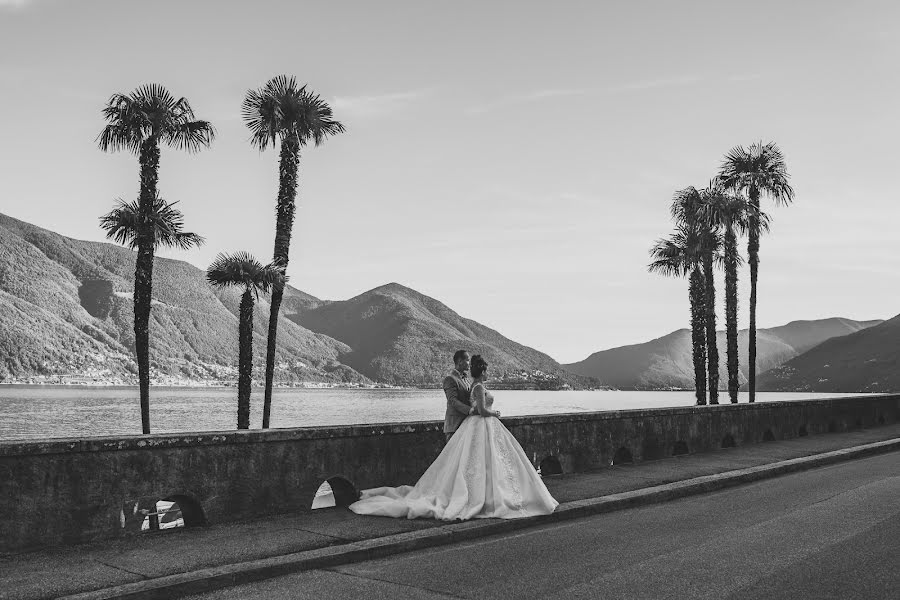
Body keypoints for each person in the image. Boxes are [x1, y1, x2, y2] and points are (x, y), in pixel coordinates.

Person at [348, 354, 559, 520]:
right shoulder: (461, 382)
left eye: (469, 363)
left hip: (475, 425)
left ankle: (485, 495)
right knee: (465, 465)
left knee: (480, 464)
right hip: (472, 423)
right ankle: (477, 497)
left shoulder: (470, 382)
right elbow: (463, 405)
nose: (467, 365)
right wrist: (491, 413)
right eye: (465, 361)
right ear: (465, 364)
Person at [442, 349, 476, 442]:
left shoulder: (467, 379)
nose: (470, 363)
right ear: (460, 361)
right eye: (468, 360)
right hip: (454, 426)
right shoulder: (450, 379)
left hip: (466, 424)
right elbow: (452, 400)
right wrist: (470, 410)